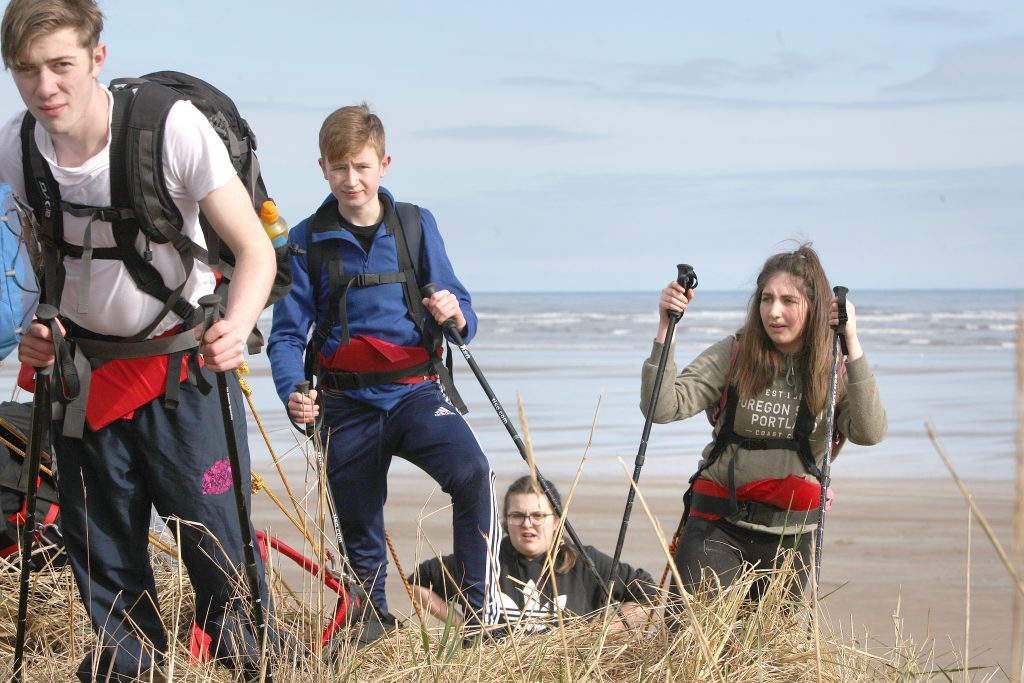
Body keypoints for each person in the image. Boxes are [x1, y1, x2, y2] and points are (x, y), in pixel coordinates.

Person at [0, 1, 277, 680]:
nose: (45, 87)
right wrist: (42, 326)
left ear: (98, 58)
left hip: (184, 370)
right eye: (26, 70)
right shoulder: (16, 147)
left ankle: (251, 665)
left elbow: (254, 251)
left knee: (219, 551)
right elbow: (42, 256)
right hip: (84, 377)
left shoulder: (169, 129)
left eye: (61, 65)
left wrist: (236, 328)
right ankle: (129, 671)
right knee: (103, 553)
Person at [267, 103, 501, 638]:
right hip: (345, 406)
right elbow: (284, 336)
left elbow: (461, 308)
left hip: (417, 393)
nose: (352, 179)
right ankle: (370, 623)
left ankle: (482, 618)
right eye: (340, 167)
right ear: (323, 168)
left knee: (475, 475)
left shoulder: (416, 224)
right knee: (360, 531)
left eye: (362, 166)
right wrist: (293, 392)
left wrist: (456, 314)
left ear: (385, 163)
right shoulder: (304, 241)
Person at [643, 243, 886, 601]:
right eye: (766, 299)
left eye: (789, 301)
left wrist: (851, 343)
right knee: (691, 647)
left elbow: (869, 432)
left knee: (764, 655)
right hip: (716, 526)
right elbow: (660, 407)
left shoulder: (834, 369)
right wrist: (667, 328)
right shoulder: (736, 353)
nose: (774, 312)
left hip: (791, 537)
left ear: (815, 307)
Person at [409, 475, 657, 632]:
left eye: (538, 515)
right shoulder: (485, 559)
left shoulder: (583, 561)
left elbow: (648, 592)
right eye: (517, 516)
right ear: (505, 520)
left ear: (557, 520)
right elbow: (416, 583)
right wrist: (464, 626)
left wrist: (602, 631)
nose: (527, 524)